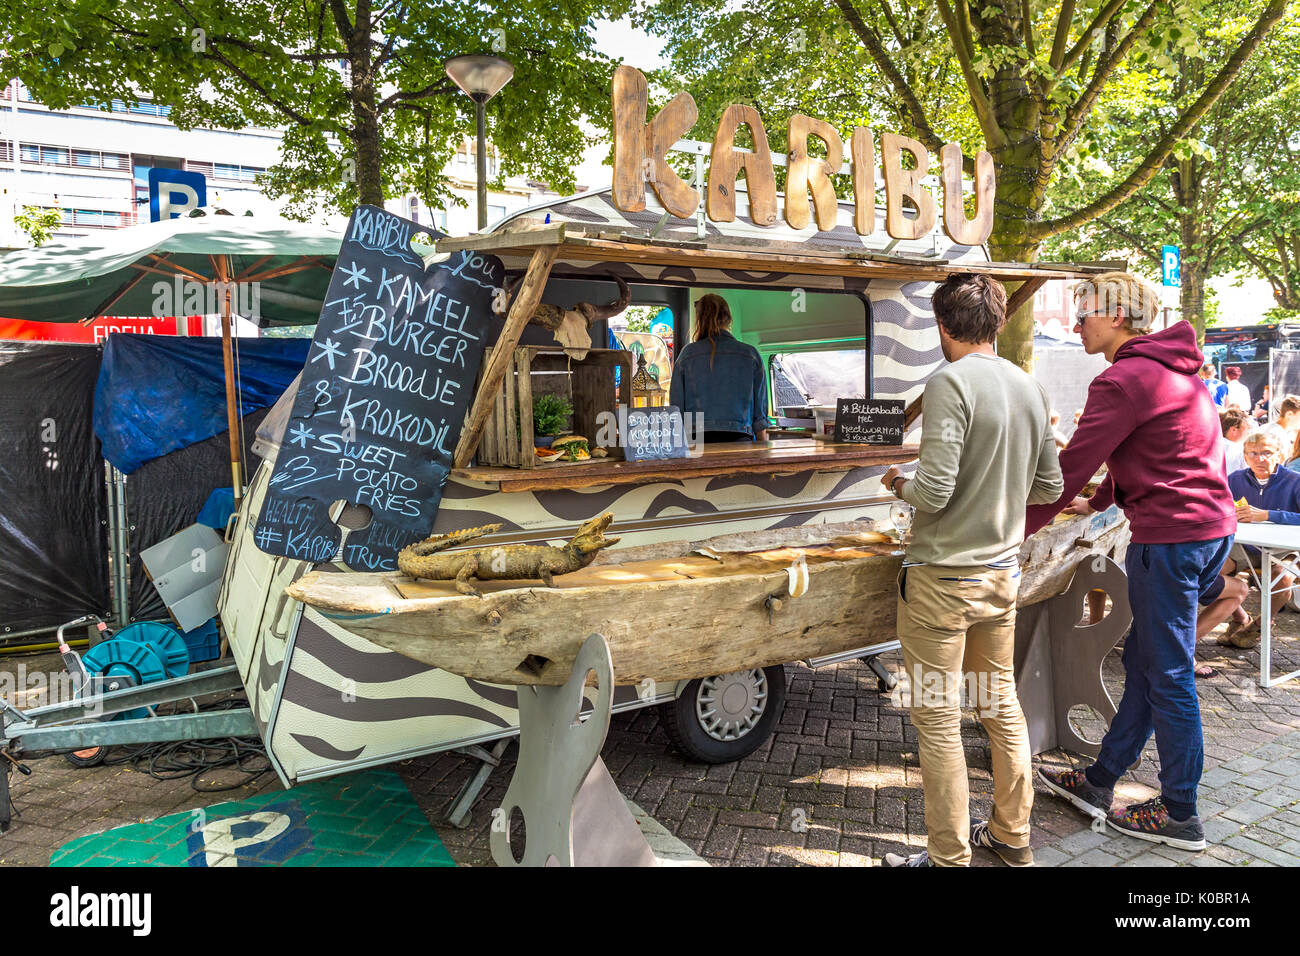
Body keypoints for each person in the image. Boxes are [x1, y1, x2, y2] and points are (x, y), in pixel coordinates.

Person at [1028, 271, 1234, 853]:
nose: (1075, 323)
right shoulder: (1175, 370)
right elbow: (1152, 448)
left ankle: (1180, 814)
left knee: (1169, 677)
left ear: (1116, 315)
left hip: (1168, 541)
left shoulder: (1121, 380)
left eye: (1084, 312)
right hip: (1210, 529)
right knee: (1148, 663)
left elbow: (1065, 473)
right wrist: (1101, 500)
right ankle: (1098, 782)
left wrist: (1010, 534)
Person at [877, 273, 1063, 868]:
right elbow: (1051, 486)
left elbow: (931, 491)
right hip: (999, 578)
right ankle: (1012, 839)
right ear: (1000, 323)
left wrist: (897, 482)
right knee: (998, 706)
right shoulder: (1029, 387)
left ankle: (948, 859)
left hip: (940, 585)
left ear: (941, 326)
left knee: (938, 722)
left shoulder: (950, 382)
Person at [1217, 430, 1300, 649]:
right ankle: (1239, 617)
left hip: (1285, 549)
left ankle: (1262, 624)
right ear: (1244, 457)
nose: (1259, 459)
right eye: (1252, 453)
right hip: (1245, 547)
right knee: (1212, 569)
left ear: (1279, 455)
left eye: (1266, 452)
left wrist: (1268, 515)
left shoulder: (1295, 481)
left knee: (1282, 578)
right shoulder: (1234, 479)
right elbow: (1216, 508)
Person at [668, 293, 769, 444]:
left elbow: (677, 410)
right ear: (729, 318)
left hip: (698, 441)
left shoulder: (687, 355)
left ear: (699, 320)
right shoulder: (751, 355)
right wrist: (763, 448)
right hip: (740, 439)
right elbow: (759, 417)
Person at [1220, 407, 1250, 477]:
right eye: (1247, 427)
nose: (1249, 431)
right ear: (1234, 430)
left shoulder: (1213, 445)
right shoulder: (1240, 450)